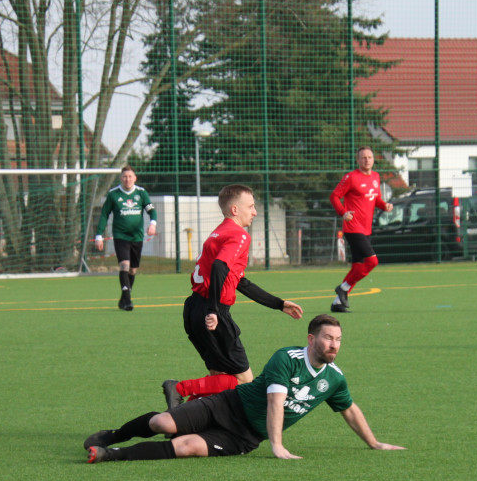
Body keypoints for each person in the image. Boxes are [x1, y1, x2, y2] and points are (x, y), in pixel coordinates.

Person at [85, 314, 403, 462]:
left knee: (186, 448)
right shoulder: (287, 359)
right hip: (228, 404)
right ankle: (113, 435)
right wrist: (277, 446)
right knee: (161, 422)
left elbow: (350, 410)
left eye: (338, 340)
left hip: (244, 436)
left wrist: (374, 443)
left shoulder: (334, 378)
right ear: (311, 339)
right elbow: (276, 402)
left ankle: (111, 455)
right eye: (327, 338)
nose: (333, 345)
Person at [161, 184, 303, 408]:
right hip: (212, 312)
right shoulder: (239, 235)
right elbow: (219, 267)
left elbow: (239, 281)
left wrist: (278, 303)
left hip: (193, 309)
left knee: (218, 376)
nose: (254, 212)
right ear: (235, 209)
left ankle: (182, 420)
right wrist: (214, 311)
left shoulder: (219, 232)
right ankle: (179, 388)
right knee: (242, 380)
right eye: (251, 206)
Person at [328, 146, 392, 313]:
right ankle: (343, 288)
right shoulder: (351, 177)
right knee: (372, 262)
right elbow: (334, 196)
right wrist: (343, 212)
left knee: (358, 266)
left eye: (369, 157)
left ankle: (337, 303)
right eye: (363, 157)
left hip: (366, 228)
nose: (367, 160)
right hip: (352, 227)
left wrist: (384, 206)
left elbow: (375, 198)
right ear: (358, 160)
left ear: (373, 159)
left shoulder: (376, 177)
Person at [94, 166, 157, 311]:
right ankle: (128, 300)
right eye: (124, 176)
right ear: (120, 178)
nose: (127, 179)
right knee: (124, 265)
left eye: (130, 176)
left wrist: (153, 224)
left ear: (135, 178)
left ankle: (124, 298)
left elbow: (151, 211)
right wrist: (99, 236)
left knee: (133, 270)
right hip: (120, 236)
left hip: (137, 236)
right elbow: (104, 215)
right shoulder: (113, 195)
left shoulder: (141, 193)